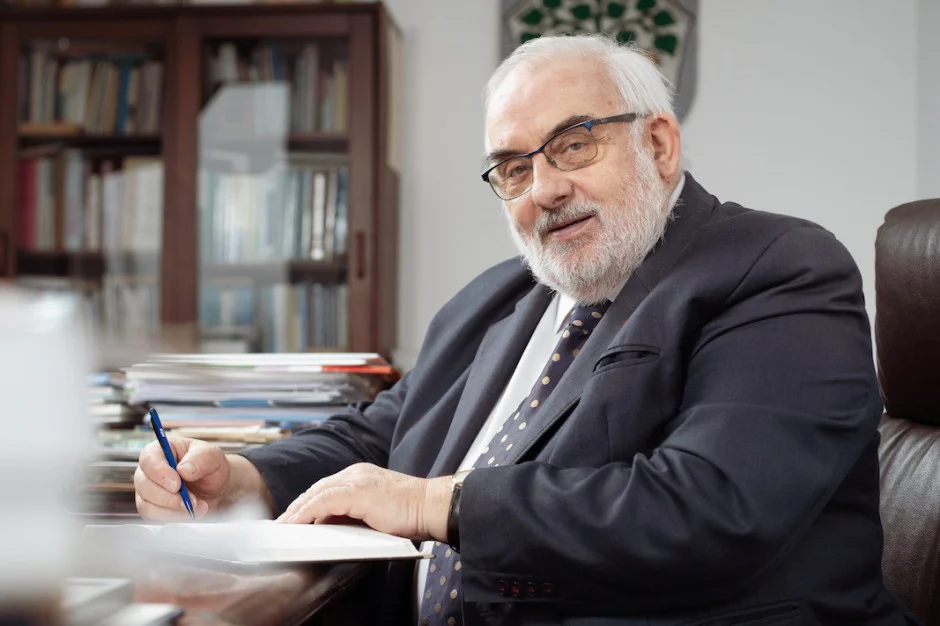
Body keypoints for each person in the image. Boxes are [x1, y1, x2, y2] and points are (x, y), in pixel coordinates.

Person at [135, 34, 918, 626]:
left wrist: (439, 504)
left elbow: (712, 508)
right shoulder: (496, 299)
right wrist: (246, 479)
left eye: (574, 143)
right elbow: (382, 435)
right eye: (513, 168)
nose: (544, 188)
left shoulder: (776, 267)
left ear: (658, 143)